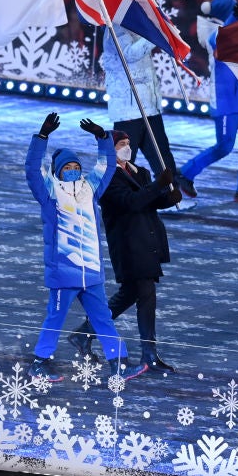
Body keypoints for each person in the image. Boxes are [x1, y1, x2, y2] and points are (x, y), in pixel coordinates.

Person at [25, 112, 132, 381]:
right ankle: (39, 362)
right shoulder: (50, 192)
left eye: (75, 166)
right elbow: (32, 169)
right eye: (66, 168)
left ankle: (119, 362)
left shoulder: (89, 189)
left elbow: (107, 165)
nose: (72, 171)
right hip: (64, 273)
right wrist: (42, 136)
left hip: (92, 272)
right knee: (55, 320)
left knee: (103, 318)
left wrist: (103, 138)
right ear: (58, 171)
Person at [69, 130, 182, 376]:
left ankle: (84, 333)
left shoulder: (139, 171)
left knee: (131, 294)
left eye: (129, 143)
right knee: (146, 296)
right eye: (122, 144)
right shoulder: (105, 177)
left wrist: (168, 196)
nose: (127, 147)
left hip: (148, 239)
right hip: (129, 244)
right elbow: (131, 202)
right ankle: (149, 354)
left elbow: (149, 201)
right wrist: (157, 186)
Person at [180, 0, 238, 204]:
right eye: (234, 12)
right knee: (224, 146)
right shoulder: (212, 33)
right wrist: (233, 19)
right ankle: (184, 173)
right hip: (226, 100)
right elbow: (218, 41)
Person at [99, 25, 195, 197]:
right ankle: (113, 197)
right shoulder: (115, 28)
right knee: (124, 158)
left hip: (149, 106)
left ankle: (170, 196)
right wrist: (155, 34)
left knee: (162, 156)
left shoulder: (137, 25)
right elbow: (129, 53)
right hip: (129, 110)